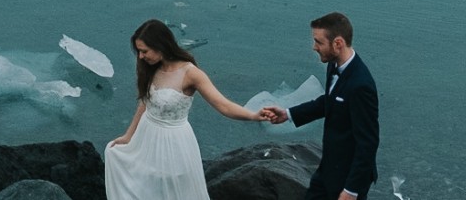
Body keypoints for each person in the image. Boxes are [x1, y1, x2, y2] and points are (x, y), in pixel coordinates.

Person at [105, 19, 274, 199]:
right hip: (146, 136)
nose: (140, 56)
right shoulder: (151, 68)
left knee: (171, 189)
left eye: (144, 51)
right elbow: (145, 103)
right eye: (139, 51)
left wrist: (254, 115)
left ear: (160, 45)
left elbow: (223, 105)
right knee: (128, 167)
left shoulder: (190, 73)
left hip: (173, 142)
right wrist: (129, 136)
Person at [262, 12, 380, 200]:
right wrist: (288, 114)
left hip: (348, 178)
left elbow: (368, 143)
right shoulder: (334, 66)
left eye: (318, 42)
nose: (314, 47)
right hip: (328, 169)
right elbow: (329, 101)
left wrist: (351, 191)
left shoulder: (361, 85)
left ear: (338, 44)